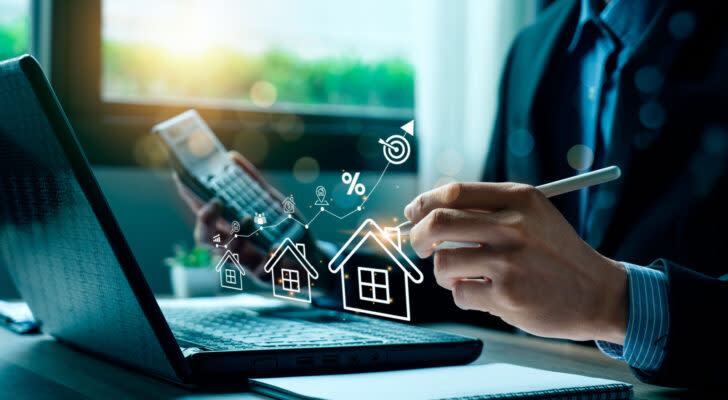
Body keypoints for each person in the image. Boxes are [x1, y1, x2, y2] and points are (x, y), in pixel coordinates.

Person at [178, 0, 728, 388]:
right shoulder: (536, 48)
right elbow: (473, 275)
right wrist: (315, 268)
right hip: (537, 379)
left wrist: (618, 304)